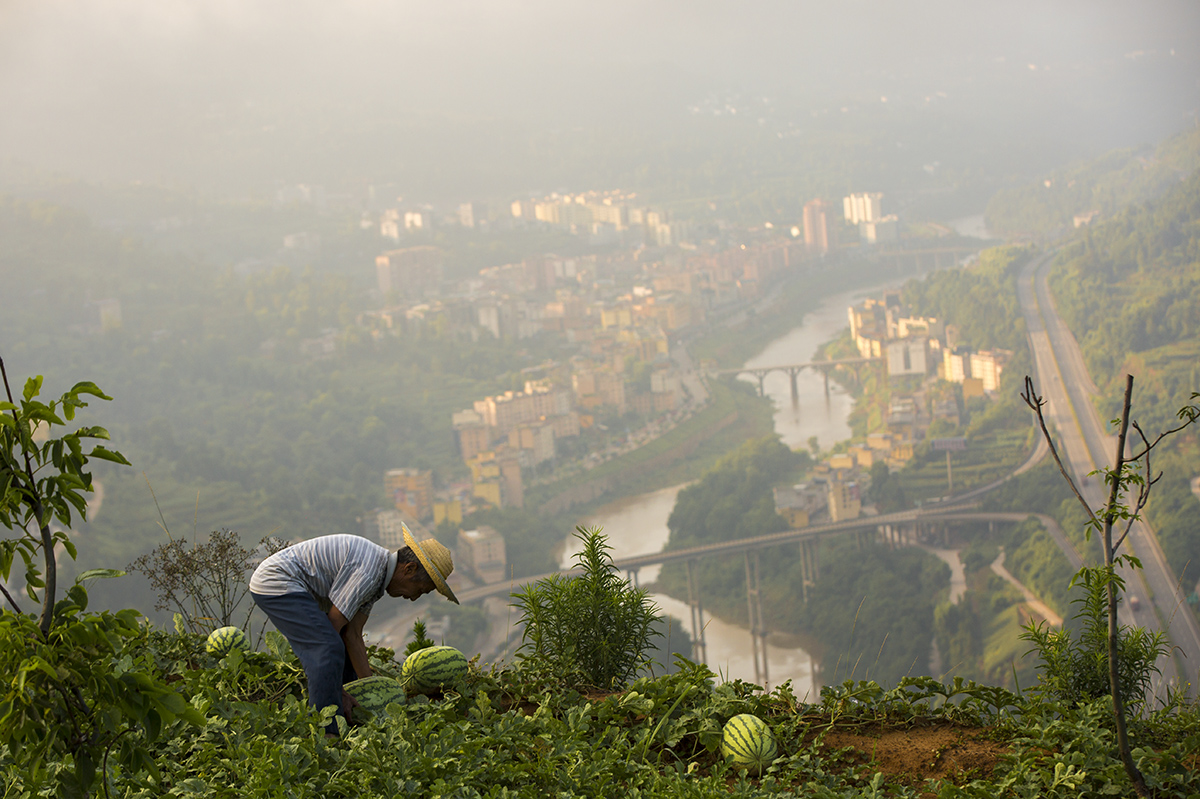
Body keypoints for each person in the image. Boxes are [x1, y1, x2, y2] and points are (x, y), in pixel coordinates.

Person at [249, 525, 457, 732]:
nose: (413, 598)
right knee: (328, 647)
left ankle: (348, 714)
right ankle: (326, 730)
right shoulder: (369, 572)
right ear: (409, 568)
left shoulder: (378, 576)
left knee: (341, 653)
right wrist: (335, 690)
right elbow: (333, 627)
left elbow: (352, 635)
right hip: (277, 582)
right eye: (419, 590)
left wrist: (374, 689)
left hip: (292, 585)